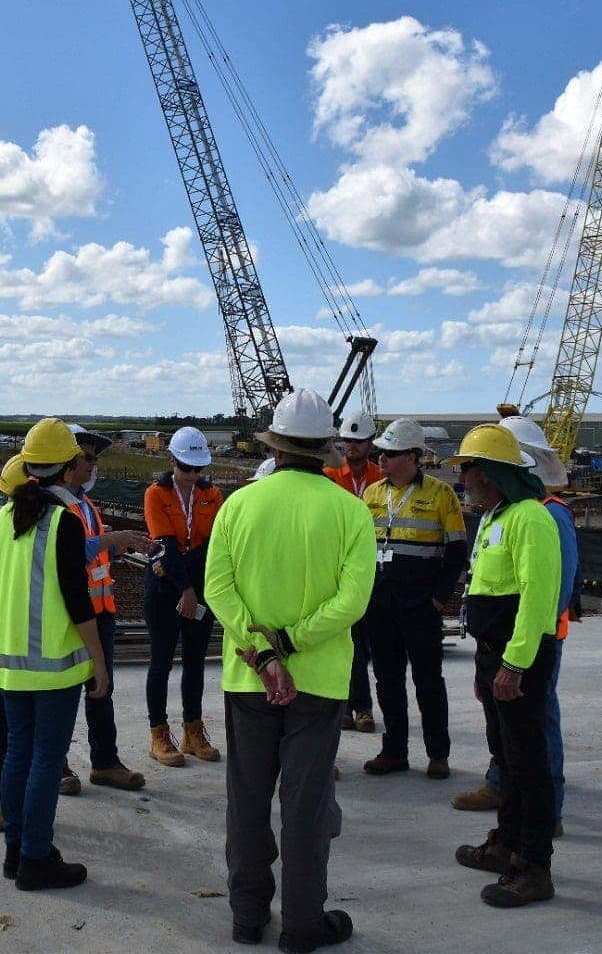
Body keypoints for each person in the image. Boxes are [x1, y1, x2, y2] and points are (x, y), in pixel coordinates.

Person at [204, 388, 376, 952]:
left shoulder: (237, 505)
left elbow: (218, 590)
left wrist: (264, 651)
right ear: (325, 448)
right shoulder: (350, 510)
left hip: (249, 679)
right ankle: (303, 925)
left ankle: (246, 916)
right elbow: (352, 602)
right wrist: (292, 644)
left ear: (275, 446)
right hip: (320, 684)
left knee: (247, 802)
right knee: (306, 808)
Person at [0, 419, 109, 891]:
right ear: (70, 466)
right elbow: (78, 601)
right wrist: (99, 663)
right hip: (52, 669)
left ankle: (16, 853)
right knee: (46, 762)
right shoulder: (63, 522)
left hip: (7, 665)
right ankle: (35, 858)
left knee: (16, 756)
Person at [445, 425, 561, 908]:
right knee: (507, 758)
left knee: (528, 763)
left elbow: (538, 597)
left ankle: (533, 866)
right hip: (495, 654)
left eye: (469, 468)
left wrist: (514, 664)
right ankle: (507, 843)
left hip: (520, 658)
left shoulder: (530, 519)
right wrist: (485, 667)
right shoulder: (496, 516)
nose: (464, 476)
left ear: (491, 474)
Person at [360, 418, 467, 780]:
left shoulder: (441, 494)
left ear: (413, 456)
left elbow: (456, 553)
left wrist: (438, 600)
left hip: (420, 606)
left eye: (390, 454)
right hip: (380, 605)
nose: (382, 459)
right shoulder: (372, 494)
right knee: (387, 681)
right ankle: (394, 752)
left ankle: (438, 755)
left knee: (428, 681)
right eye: (381, 453)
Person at [56, 424, 154, 794]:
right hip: (68, 614)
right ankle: (58, 764)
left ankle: (105, 762)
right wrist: (108, 540)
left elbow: (91, 551)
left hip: (100, 610)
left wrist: (120, 545)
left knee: (100, 689)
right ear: (67, 461)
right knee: (63, 692)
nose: (94, 465)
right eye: (88, 458)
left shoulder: (84, 504)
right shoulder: (55, 505)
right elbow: (66, 554)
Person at [142, 426, 225, 767]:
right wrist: (184, 588)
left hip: (196, 585)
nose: (192, 475)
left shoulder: (212, 495)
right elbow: (165, 544)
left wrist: (188, 582)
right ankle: (159, 734)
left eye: (197, 469)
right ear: (172, 461)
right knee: (160, 662)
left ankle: (193, 730)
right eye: (186, 468)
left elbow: (213, 546)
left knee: (195, 663)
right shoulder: (156, 494)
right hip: (166, 592)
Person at [324, 411, 385, 734]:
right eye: (347, 440)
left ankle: (361, 707)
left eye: (358, 441)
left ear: (369, 443)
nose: (351, 446)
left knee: (362, 642)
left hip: (373, 566)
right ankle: (352, 707)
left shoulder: (380, 478)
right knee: (347, 640)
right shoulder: (331, 474)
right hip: (337, 565)